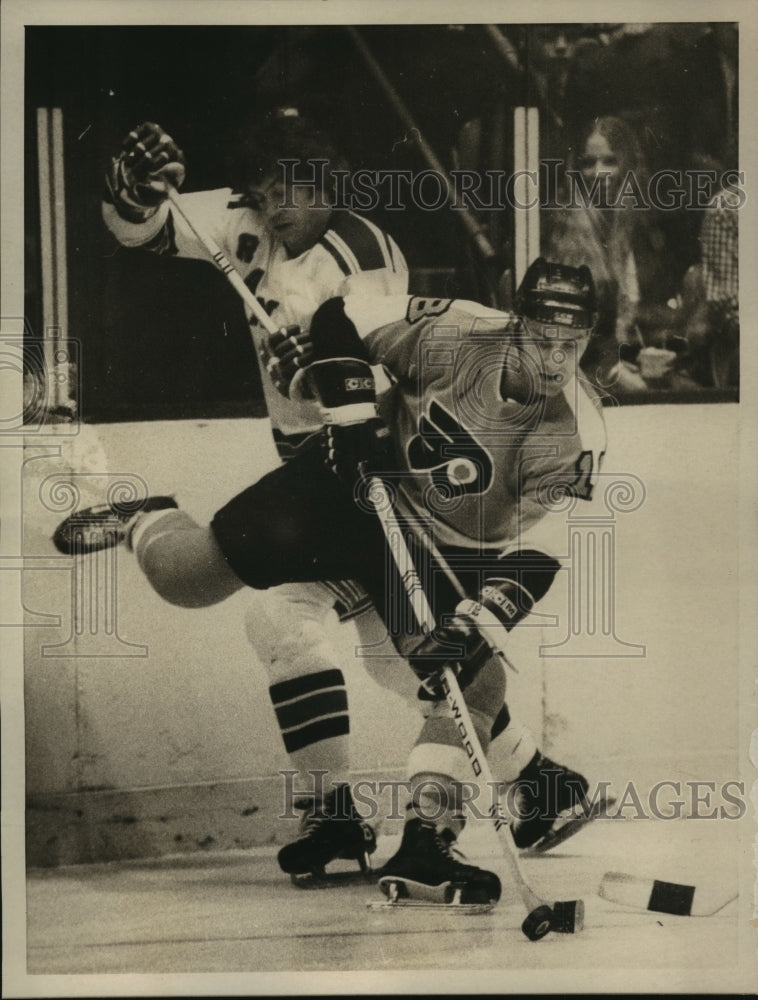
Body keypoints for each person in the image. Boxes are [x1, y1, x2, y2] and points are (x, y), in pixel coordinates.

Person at [54, 258, 606, 904]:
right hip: (347, 484)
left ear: (589, 338)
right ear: (517, 322)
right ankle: (146, 519)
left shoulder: (577, 431)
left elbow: (541, 551)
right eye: (542, 337)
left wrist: (474, 622)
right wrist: (350, 406)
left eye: (572, 344)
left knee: (473, 673)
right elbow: (339, 315)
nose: (554, 357)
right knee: (189, 580)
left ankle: (427, 842)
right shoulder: (456, 329)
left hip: (435, 546)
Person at [101, 112, 416, 873]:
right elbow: (138, 230)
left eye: (297, 189)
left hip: (369, 470)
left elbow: (377, 374)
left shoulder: (364, 250)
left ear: (329, 188)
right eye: (270, 188)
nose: (280, 204)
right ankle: (531, 782)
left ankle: (343, 815)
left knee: (367, 638)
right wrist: (130, 185)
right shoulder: (243, 224)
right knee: (356, 639)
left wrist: (321, 359)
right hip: (314, 472)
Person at [545, 115, 679, 390]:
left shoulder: (638, 228)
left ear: (627, 165)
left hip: (632, 364)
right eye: (588, 163)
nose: (598, 173)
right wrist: (615, 370)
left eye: (609, 161)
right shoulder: (563, 228)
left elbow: (651, 312)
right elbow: (562, 336)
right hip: (581, 375)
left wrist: (646, 355)